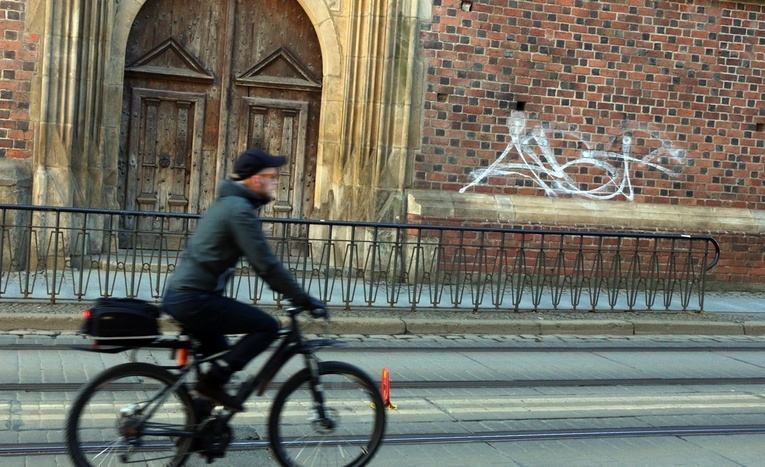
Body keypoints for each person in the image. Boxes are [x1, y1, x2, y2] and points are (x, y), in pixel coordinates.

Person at [163, 148, 325, 411]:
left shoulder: (231, 204)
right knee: (267, 327)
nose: (276, 182)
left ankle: (200, 428)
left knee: (223, 360)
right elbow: (266, 265)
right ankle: (209, 388)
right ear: (256, 179)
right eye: (271, 176)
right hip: (194, 299)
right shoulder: (239, 210)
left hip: (190, 295)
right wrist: (302, 298)